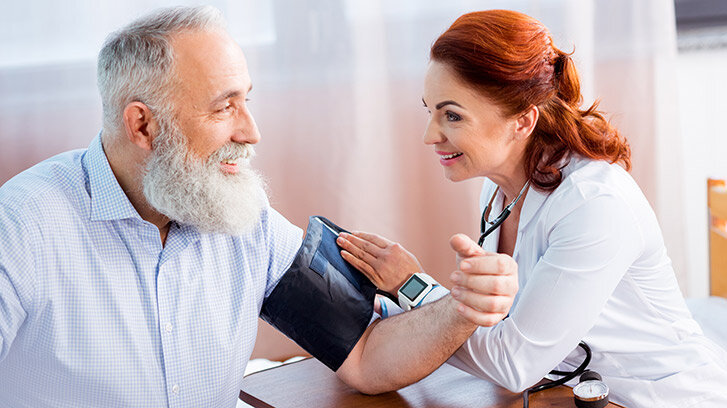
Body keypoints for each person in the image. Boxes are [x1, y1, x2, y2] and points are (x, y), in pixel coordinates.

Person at [0, 6, 518, 407]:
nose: (251, 132)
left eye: (245, 100)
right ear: (143, 125)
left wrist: (460, 309)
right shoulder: (20, 227)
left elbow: (365, 354)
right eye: (224, 107)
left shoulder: (244, 220)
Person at [336, 9, 727, 408]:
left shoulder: (594, 205)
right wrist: (402, 310)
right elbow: (497, 322)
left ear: (522, 122)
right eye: (430, 111)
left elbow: (513, 362)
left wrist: (412, 287)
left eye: (452, 115)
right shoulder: (501, 187)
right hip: (570, 393)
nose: (429, 135)